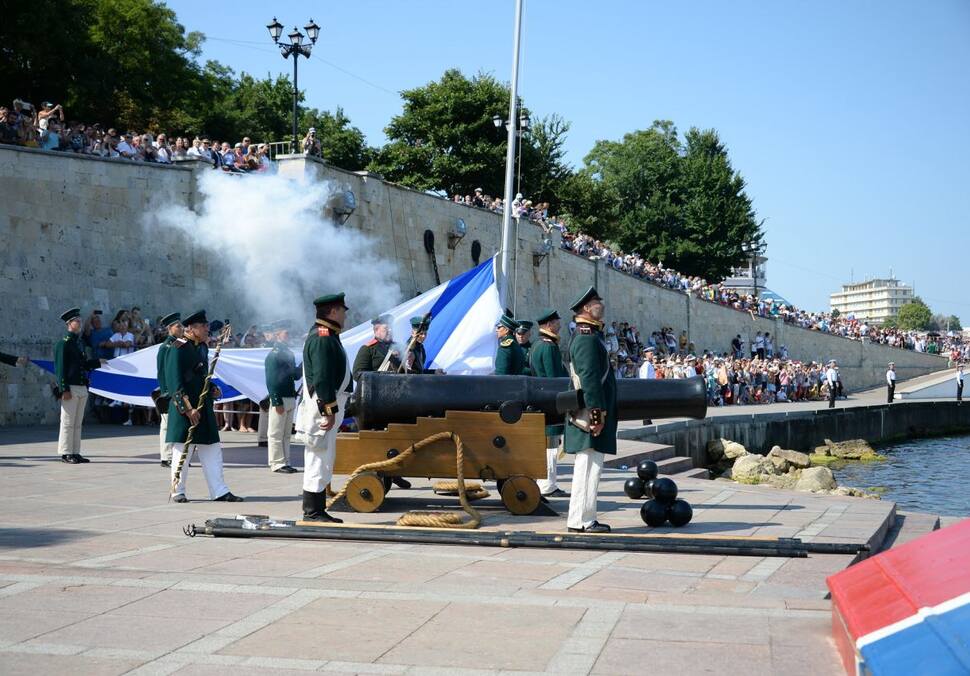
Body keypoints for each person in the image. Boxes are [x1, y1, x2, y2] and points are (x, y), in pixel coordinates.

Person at [166, 310, 242, 503]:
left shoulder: (201, 347)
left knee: (212, 449)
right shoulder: (178, 347)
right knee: (182, 451)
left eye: (207, 325)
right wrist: (187, 409)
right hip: (186, 409)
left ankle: (219, 490)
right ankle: (178, 490)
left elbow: (201, 376)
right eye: (203, 326)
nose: (208, 329)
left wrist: (212, 388)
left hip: (203, 406)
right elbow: (174, 381)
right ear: (191, 328)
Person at [295, 293, 352, 522]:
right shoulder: (322, 337)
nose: (345, 315)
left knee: (321, 457)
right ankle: (313, 511)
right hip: (323, 408)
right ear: (333, 312)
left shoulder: (328, 335)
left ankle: (316, 509)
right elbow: (322, 377)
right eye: (342, 311)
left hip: (326, 405)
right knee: (319, 458)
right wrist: (328, 410)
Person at [563, 287, 616, 533]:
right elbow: (589, 379)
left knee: (589, 466)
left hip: (589, 411)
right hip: (588, 413)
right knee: (587, 468)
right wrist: (597, 414)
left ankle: (583, 518)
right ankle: (582, 520)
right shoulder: (586, 337)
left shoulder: (589, 335)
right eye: (597, 302)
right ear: (586, 308)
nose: (601, 304)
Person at [54, 307, 103, 463]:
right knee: (68, 422)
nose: (80, 323)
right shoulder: (64, 344)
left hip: (81, 386)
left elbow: (81, 364)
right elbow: (60, 369)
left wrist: (97, 363)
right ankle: (66, 452)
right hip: (71, 387)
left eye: (80, 320)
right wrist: (64, 389)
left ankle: (75, 451)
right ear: (69, 324)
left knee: (77, 423)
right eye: (77, 321)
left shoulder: (79, 343)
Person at [529, 309, 569, 499]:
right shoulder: (549, 347)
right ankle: (548, 484)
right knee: (551, 445)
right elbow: (555, 379)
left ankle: (544, 481)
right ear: (549, 325)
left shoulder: (537, 346)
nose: (559, 324)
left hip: (541, 400)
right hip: (552, 403)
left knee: (548, 444)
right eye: (557, 322)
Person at [264, 320, 300, 474]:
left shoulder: (288, 354)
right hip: (281, 397)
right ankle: (277, 463)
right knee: (275, 433)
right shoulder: (274, 356)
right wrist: (277, 401)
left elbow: (295, 376)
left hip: (290, 396)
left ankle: (285, 461)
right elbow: (271, 381)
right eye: (286, 333)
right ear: (278, 334)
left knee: (286, 434)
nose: (288, 335)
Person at [155, 313, 182, 468]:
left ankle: (175, 455)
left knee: (175, 424)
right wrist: (166, 391)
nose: (181, 328)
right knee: (166, 424)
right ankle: (166, 456)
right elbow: (162, 371)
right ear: (169, 328)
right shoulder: (165, 347)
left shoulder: (178, 345)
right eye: (177, 326)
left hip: (176, 391)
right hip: (168, 392)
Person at [352, 315, 400, 379]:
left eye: (391, 327)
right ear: (376, 330)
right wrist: (386, 375)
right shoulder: (367, 349)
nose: (390, 330)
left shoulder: (399, 347)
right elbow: (357, 374)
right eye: (386, 328)